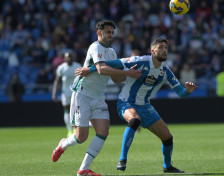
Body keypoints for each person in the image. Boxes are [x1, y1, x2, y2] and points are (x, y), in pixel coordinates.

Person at [78, 38, 198, 173]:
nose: (165, 50)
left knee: (168, 138)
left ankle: (168, 167)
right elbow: (111, 63)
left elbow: (180, 92)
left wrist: (187, 91)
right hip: (126, 102)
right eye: (161, 47)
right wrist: (90, 68)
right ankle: (122, 159)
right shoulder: (139, 61)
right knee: (135, 120)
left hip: (145, 106)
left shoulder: (166, 71)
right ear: (153, 51)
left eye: (166, 47)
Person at [51, 20, 142, 176]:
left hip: (99, 97)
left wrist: (130, 76)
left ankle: (83, 170)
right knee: (81, 137)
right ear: (99, 33)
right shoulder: (95, 47)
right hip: (83, 94)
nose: (111, 35)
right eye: (108, 32)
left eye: (112, 33)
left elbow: (115, 79)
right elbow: (101, 69)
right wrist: (126, 73)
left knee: (103, 131)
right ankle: (63, 144)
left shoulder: (112, 52)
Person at [52, 52, 81, 137]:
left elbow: (82, 78)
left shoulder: (77, 66)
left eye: (70, 57)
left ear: (73, 57)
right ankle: (69, 130)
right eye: (67, 57)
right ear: (64, 58)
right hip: (65, 93)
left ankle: (77, 128)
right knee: (67, 110)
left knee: (77, 110)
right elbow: (57, 80)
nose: (68, 59)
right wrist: (54, 92)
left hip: (76, 92)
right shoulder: (61, 68)